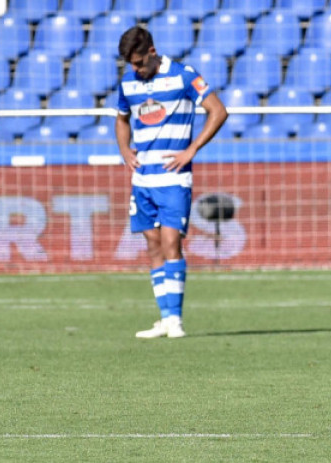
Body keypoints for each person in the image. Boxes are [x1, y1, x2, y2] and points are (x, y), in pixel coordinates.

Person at [116, 26, 227, 339]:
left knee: (170, 243)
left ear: (152, 52)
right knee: (152, 245)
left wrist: (192, 149)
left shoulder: (183, 76)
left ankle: (176, 320)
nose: (135, 70)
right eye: (131, 65)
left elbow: (218, 111)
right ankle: (164, 318)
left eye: (138, 63)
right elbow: (121, 118)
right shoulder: (128, 82)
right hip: (142, 178)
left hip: (173, 177)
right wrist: (124, 149)